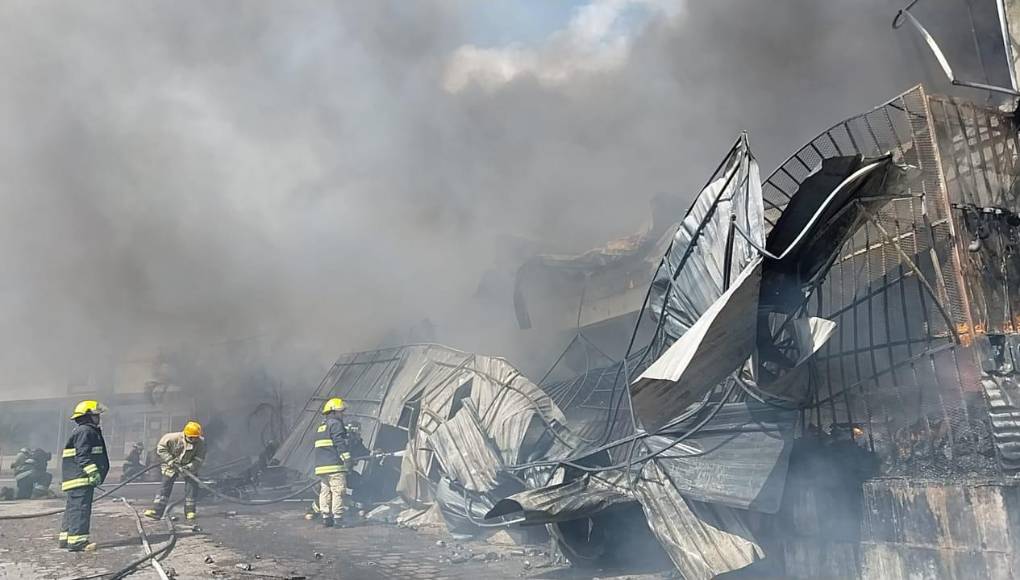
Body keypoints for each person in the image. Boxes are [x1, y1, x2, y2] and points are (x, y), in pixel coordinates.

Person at [59, 400, 110, 552]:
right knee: (81, 509)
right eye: (96, 415)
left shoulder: (82, 431)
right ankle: (77, 542)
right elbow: (83, 455)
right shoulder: (86, 431)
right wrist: (93, 472)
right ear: (88, 416)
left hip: (77, 478)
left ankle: (66, 538)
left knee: (73, 508)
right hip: (81, 478)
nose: (98, 418)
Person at [143, 421, 206, 521]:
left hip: (189, 468)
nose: (194, 440)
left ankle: (190, 511)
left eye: (196, 438)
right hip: (171, 466)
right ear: (185, 434)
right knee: (165, 487)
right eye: (191, 437)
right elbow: (161, 449)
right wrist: (170, 461)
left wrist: (189, 467)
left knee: (192, 487)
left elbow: (199, 459)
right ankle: (157, 511)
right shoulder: (171, 438)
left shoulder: (201, 443)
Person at [313, 397, 352, 528]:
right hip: (334, 466)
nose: (342, 414)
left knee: (325, 491)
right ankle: (338, 519)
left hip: (321, 467)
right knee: (338, 491)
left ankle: (326, 518)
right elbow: (339, 442)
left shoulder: (321, 427)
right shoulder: (335, 423)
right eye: (340, 412)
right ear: (333, 412)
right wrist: (347, 458)